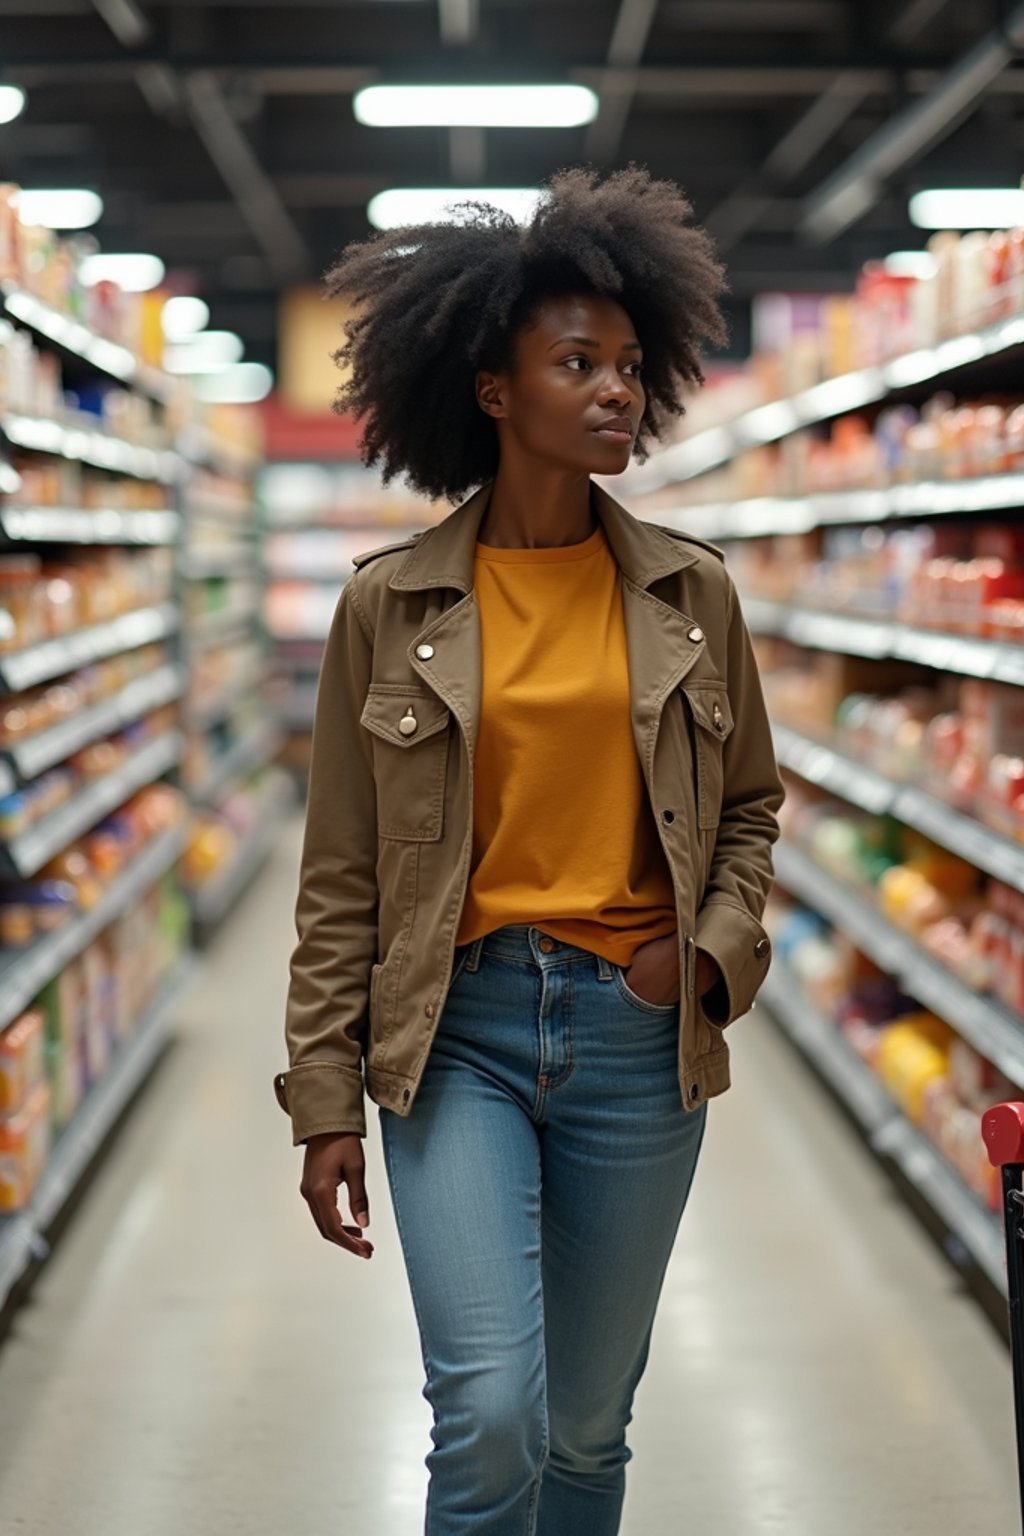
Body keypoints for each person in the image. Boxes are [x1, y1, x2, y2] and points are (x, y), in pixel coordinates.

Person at [274, 164, 785, 1535]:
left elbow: (748, 810)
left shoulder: (693, 592)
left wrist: (708, 962)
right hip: (456, 1029)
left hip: (637, 1035)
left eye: (629, 364)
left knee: (583, 1428)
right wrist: (325, 1092)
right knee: (490, 1410)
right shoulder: (389, 607)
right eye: (577, 363)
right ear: (493, 390)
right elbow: (341, 874)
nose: (617, 390)